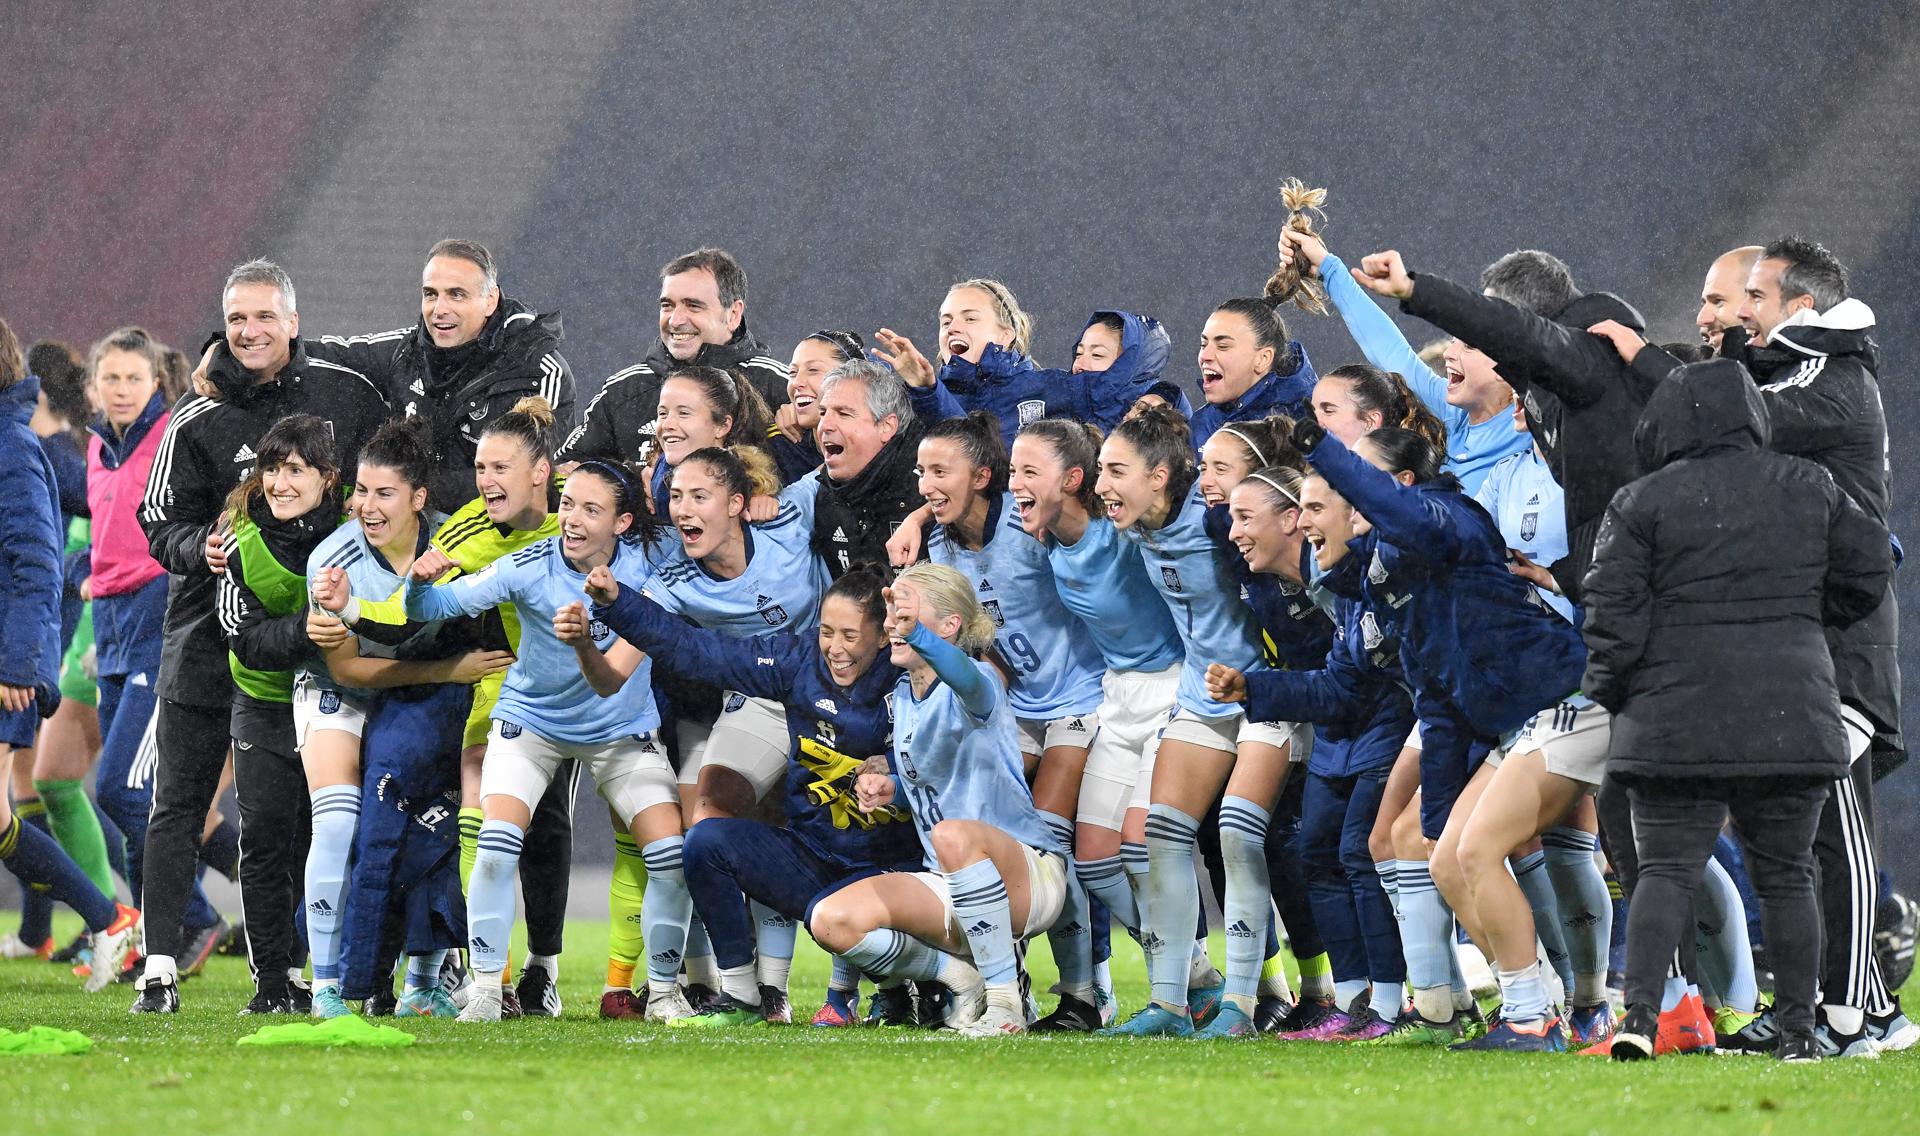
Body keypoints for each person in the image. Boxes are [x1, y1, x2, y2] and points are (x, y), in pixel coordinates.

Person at [1596, 236, 1905, 1053]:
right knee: (1805, 846)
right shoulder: (1807, 374)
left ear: (1798, 307)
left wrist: (1648, 364)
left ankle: (1857, 1012)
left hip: (1833, 645)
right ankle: (1853, 1006)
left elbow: (1742, 414)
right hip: (1801, 644)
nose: (1730, 321)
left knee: (1838, 834)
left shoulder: (1830, 380)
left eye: (1747, 303)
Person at [134, 259, 388, 1013]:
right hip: (204, 643)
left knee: (293, 818)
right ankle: (159, 969)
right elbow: (157, 521)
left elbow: (388, 482)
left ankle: (296, 972)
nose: (249, 332)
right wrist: (197, 550)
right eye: (237, 319)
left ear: (294, 321)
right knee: (178, 805)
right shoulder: (196, 414)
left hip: (309, 652)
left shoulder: (346, 394)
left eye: (264, 317)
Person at [1292, 419, 1587, 1050]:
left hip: (1570, 701)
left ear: (1397, 485)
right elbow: (1437, 695)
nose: (1321, 511)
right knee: (1447, 856)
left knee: (1495, 854)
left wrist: (1317, 445)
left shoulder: (1445, 518)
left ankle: (1580, 1004)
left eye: (1355, 480)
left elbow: (1410, 518)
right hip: (1519, 721)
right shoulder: (1394, 576)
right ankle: (1533, 1009)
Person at [403, 459, 688, 1023]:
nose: (572, 520)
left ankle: (664, 993)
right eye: (568, 505)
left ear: (623, 522)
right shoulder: (528, 566)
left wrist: (584, 642)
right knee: (496, 840)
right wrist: (417, 583)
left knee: (670, 855)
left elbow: (609, 682)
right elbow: (431, 609)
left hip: (619, 731)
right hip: (531, 726)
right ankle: (486, 990)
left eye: (591, 509)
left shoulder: (653, 574)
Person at [584, 564, 924, 1026]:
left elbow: (947, 762)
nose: (834, 649)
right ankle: (742, 996)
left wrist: (893, 772)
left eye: (849, 635)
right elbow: (698, 652)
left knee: (921, 941)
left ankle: (934, 985)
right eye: (826, 632)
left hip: (893, 871)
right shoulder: (797, 660)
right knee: (706, 842)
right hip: (817, 860)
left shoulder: (915, 673)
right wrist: (617, 602)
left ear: (884, 637)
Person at [889, 412, 1105, 1025]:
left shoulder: (1025, 518)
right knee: (996, 830)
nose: (927, 484)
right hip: (1013, 705)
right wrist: (921, 516)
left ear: (984, 475)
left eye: (940, 471)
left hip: (1077, 696)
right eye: (921, 472)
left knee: (1050, 843)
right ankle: (1011, 981)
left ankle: (1085, 994)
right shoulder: (940, 543)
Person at [1094, 406, 1298, 1038]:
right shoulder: (1138, 527)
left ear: (1159, 477)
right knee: (1160, 833)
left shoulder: (1218, 524)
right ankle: (1171, 1003)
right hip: (1203, 694)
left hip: (1271, 694)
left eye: (1116, 471)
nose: (1103, 483)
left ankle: (1241, 1004)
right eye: (1100, 469)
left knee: (1238, 834)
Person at [302, 416, 514, 1017]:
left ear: (419, 499)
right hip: (346, 694)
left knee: (439, 827)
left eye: (384, 493)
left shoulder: (456, 546)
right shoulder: (334, 560)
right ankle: (334, 985)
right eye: (361, 491)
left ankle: (424, 980)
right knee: (352, 825)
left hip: (432, 698)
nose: (366, 507)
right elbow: (347, 671)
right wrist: (446, 673)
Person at [806, 563, 1073, 1037]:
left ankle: (1006, 1003)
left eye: (907, 613)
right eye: (893, 613)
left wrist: (923, 639)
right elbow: (938, 786)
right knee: (831, 921)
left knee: (952, 836)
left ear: (948, 626)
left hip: (1028, 874)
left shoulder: (978, 678)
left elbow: (965, 680)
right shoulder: (906, 696)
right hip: (952, 875)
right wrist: (895, 791)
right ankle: (961, 979)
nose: (894, 624)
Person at [1206, 465, 1414, 1040]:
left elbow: (1350, 677)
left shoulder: (1343, 579)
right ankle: (1347, 1003)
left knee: (1359, 850)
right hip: (1334, 725)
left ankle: (1396, 1002)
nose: (1233, 532)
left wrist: (1254, 688)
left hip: (1382, 717)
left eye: (1246, 517)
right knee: (1317, 851)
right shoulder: (1287, 575)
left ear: (1295, 519)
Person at [1005, 417, 1186, 1027]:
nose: (1015, 486)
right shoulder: (1049, 540)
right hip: (1118, 698)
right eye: (1012, 472)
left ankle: (1176, 998)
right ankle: (1198, 975)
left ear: (1072, 479)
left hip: (1175, 691)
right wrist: (920, 520)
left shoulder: (1124, 533)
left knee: (1143, 849)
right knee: (1095, 864)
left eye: (1030, 472)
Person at [1347, 248, 1650, 602]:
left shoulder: (1585, 362)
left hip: (1640, 599)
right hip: (1611, 591)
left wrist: (1416, 291)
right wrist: (1565, 577)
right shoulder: (1553, 388)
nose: (1456, 350)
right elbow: (1602, 514)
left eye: (1484, 333)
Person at [83, 329, 230, 974]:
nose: (121, 390)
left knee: (120, 790)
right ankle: (180, 926)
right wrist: (77, 576)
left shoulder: (171, 437)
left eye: (132, 379)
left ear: (156, 385)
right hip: (110, 631)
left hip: (157, 624)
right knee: (122, 796)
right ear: (94, 386)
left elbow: (183, 524)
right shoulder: (95, 447)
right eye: (110, 379)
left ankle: (193, 920)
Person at [0, 316, 139, 992]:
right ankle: (99, 918)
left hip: (12, 661)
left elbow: (34, 564)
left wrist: (20, 663)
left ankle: (110, 917)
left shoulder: (19, 449)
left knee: (29, 798)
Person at [214, 414, 348, 1013]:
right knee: (265, 839)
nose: (280, 482)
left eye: (296, 469)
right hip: (265, 705)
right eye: (272, 468)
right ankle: (272, 983)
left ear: (328, 478)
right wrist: (308, 630)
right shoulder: (237, 543)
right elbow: (243, 640)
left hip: (339, 704)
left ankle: (352, 979)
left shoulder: (355, 535)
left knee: (333, 840)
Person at [311, 238, 577, 513]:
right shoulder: (406, 351)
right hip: (412, 519)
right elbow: (332, 354)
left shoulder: (539, 373)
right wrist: (277, 342)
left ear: (490, 300)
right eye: (430, 294)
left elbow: (519, 483)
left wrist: (399, 491)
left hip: (500, 537)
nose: (439, 310)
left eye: (456, 294)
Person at [1277, 232, 1528, 493]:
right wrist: (1327, 268)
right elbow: (1390, 351)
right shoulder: (1453, 413)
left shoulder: (1534, 427)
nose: (1449, 353)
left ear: (1510, 364)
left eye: (1469, 346)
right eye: (1453, 341)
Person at [558, 248, 789, 465]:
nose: (675, 320)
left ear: (733, 314)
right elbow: (567, 468)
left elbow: (819, 478)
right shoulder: (623, 391)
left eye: (693, 306)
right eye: (667, 306)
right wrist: (634, 481)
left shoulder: (780, 387)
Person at [876, 278, 1051, 447]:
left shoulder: (1051, 390)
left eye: (970, 319)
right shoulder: (916, 404)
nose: (952, 329)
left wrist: (1080, 350)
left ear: (1005, 336)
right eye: (946, 322)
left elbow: (983, 466)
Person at [804, 360, 926, 576]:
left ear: (886, 427)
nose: (825, 426)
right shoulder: (822, 497)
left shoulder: (926, 484)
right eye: (823, 413)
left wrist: (922, 516)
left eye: (843, 414)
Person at [1189, 297, 1317, 451]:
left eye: (1222, 346)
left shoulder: (1309, 425)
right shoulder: (1200, 423)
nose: (1204, 355)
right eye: (1204, 344)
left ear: (1263, 359)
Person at [772, 330, 865, 484]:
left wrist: (919, 390)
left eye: (813, 370)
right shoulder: (781, 443)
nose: (796, 382)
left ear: (852, 376)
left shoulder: (886, 440)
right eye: (793, 372)